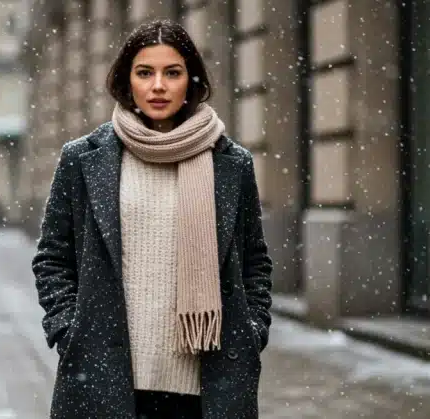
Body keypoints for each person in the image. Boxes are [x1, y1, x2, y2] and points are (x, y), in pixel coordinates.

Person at [31, 20, 273, 418]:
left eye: (172, 73)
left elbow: (255, 263)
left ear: (190, 81)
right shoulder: (84, 159)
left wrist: (251, 331)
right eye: (145, 73)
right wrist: (69, 331)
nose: (158, 86)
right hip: (106, 378)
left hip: (206, 384)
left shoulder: (230, 164)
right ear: (128, 81)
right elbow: (53, 258)